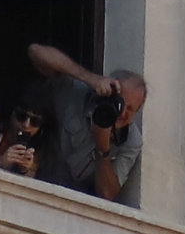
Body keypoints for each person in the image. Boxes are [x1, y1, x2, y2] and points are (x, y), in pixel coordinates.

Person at [20, 44, 145, 204]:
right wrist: (90, 78)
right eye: (120, 103)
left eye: (130, 109)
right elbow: (35, 52)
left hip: (73, 209)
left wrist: (103, 147)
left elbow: (107, 193)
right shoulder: (77, 92)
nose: (122, 113)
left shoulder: (131, 140)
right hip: (34, 185)